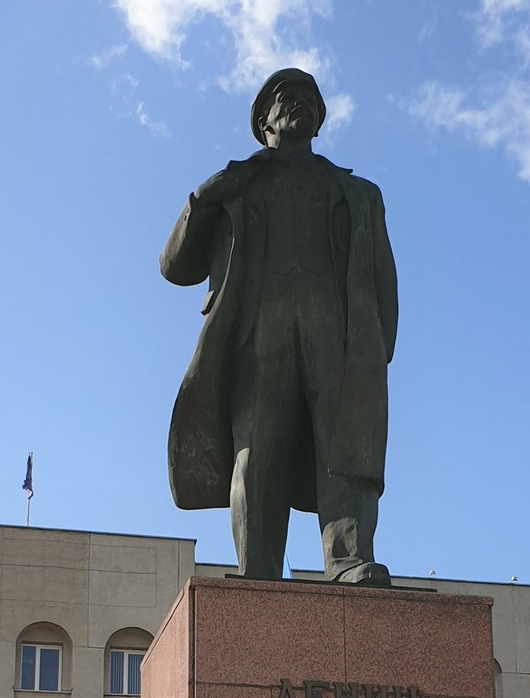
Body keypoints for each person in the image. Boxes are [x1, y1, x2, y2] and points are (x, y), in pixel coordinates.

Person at [160, 68, 398, 584]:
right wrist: (204, 197)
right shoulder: (235, 189)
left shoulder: (359, 195)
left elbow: (383, 276)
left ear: (320, 120)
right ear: (263, 121)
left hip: (339, 338)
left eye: (310, 99)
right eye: (285, 97)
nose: (300, 104)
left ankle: (347, 558)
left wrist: (377, 349)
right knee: (256, 455)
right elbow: (175, 268)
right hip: (258, 336)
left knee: (345, 452)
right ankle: (258, 572)